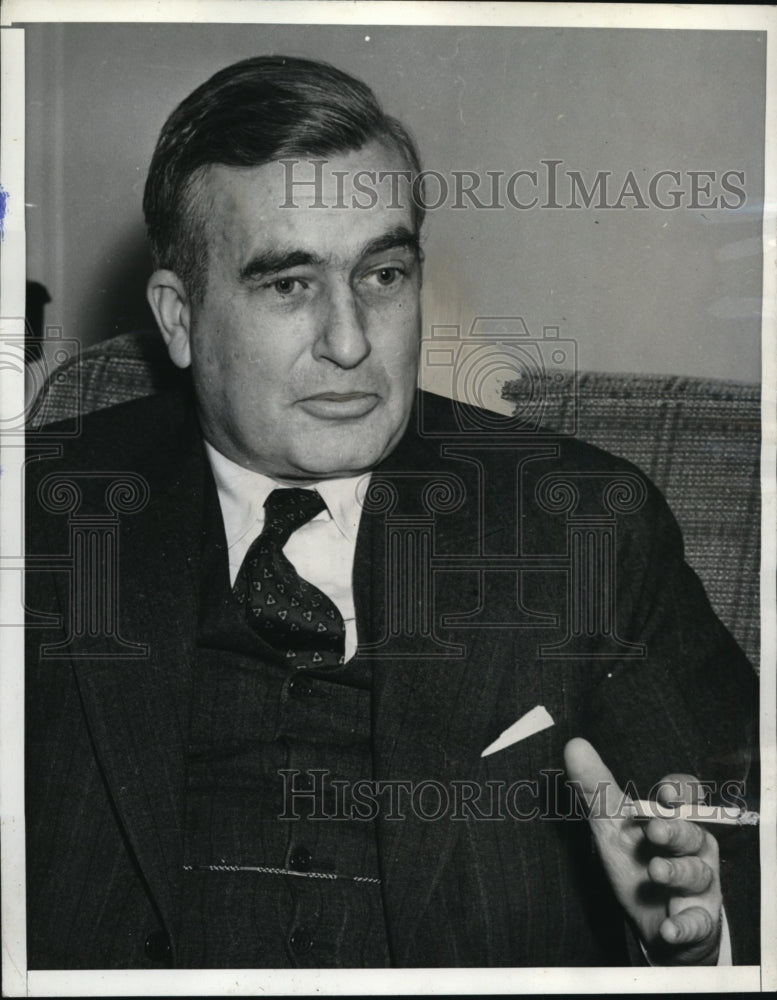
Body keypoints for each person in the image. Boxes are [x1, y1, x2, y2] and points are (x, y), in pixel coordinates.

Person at [24, 55, 758, 970]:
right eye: (288, 284)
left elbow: (738, 849)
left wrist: (694, 940)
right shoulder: (39, 512)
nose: (350, 341)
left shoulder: (583, 524)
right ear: (178, 318)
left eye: (382, 275)